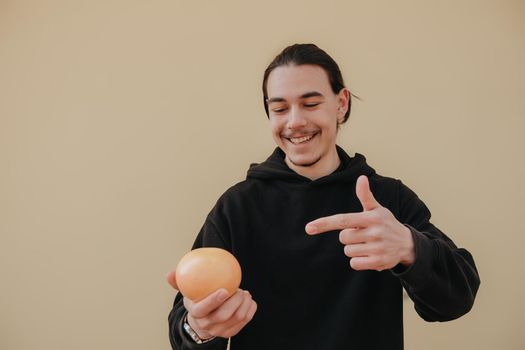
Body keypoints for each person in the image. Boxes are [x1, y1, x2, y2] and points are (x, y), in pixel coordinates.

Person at [167, 43, 480, 350]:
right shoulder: (237, 207)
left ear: (341, 103)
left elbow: (457, 299)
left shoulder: (386, 199)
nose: (295, 122)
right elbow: (184, 328)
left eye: (310, 103)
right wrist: (199, 330)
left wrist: (411, 248)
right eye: (279, 108)